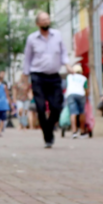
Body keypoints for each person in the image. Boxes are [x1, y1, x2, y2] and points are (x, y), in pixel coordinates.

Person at [22, 11, 72, 148]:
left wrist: (68, 65)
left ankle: (48, 128)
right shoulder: (32, 39)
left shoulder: (57, 35)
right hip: (38, 76)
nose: (46, 22)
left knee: (57, 106)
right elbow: (27, 59)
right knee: (40, 107)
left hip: (54, 76)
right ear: (38, 23)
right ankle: (47, 136)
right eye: (43, 20)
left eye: (47, 19)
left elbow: (63, 53)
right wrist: (25, 79)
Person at [65, 64, 88, 139]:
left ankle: (74, 132)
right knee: (82, 112)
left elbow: (67, 86)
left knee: (73, 113)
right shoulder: (84, 78)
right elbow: (86, 90)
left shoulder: (69, 77)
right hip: (81, 94)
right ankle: (82, 131)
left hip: (71, 94)